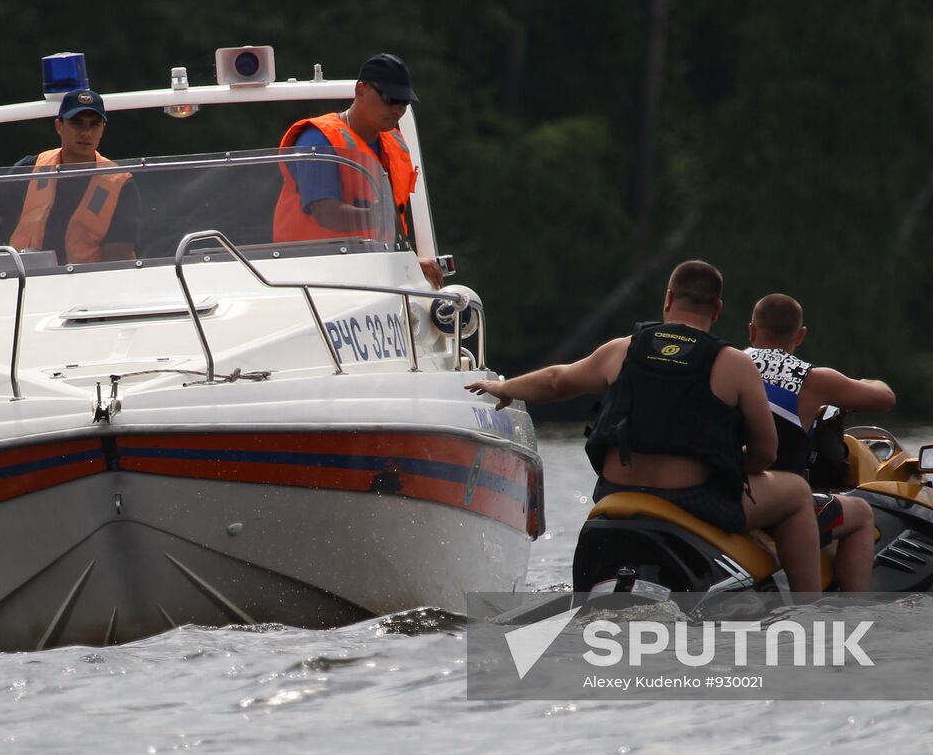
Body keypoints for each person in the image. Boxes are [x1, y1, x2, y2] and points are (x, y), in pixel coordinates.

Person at [465, 260, 824, 597]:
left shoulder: (623, 349)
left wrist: (504, 386)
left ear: (668, 300)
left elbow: (556, 380)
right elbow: (767, 452)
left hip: (616, 492)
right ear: (716, 310)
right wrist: (735, 466)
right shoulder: (734, 364)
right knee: (795, 493)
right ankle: (811, 611)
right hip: (694, 500)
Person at [746, 293, 896, 592]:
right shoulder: (814, 378)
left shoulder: (729, 364)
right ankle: (853, 610)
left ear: (751, 330)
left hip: (731, 488)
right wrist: (864, 383)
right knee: (862, 514)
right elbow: (884, 398)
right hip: (780, 502)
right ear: (800, 335)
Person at [272, 53, 442, 288]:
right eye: (390, 99)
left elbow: (392, 226)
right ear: (361, 90)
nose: (397, 109)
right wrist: (376, 216)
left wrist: (409, 262)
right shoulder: (318, 139)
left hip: (374, 274)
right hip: (311, 279)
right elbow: (326, 213)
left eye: (404, 102)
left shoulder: (394, 141)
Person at [0, 88, 140, 263]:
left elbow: (118, 259)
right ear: (59, 126)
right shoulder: (30, 168)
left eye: (94, 124)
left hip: (88, 286)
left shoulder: (120, 183)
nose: (86, 132)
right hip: (25, 282)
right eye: (76, 122)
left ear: (103, 129)